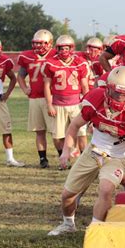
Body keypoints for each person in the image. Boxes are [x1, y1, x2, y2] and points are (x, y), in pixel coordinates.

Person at [48, 66, 125, 236]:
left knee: (105, 189)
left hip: (117, 157)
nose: (119, 97)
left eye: (124, 94)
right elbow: (74, 125)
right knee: (67, 195)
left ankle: (96, 228)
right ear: (107, 88)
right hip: (92, 151)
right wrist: (67, 150)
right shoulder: (95, 98)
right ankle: (68, 224)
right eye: (115, 92)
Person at [42, 35, 90, 168]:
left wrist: (87, 104)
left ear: (71, 48)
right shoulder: (51, 63)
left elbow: (85, 86)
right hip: (58, 104)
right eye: (61, 48)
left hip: (76, 103)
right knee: (58, 136)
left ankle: (84, 162)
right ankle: (64, 159)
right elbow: (46, 85)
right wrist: (49, 104)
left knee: (81, 134)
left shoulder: (80, 62)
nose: (63, 51)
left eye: (66, 48)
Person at [17, 29, 57, 168]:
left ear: (50, 43)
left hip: (53, 98)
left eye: (41, 43)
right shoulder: (26, 56)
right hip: (34, 98)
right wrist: (24, 88)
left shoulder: (56, 55)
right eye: (36, 43)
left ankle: (62, 156)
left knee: (56, 132)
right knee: (39, 131)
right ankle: (43, 159)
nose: (38, 47)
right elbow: (20, 75)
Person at [0, 36, 25, 168]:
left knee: (6, 129)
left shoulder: (5, 61)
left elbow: (13, 78)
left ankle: (10, 159)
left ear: (0, 49)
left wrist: (7, 94)